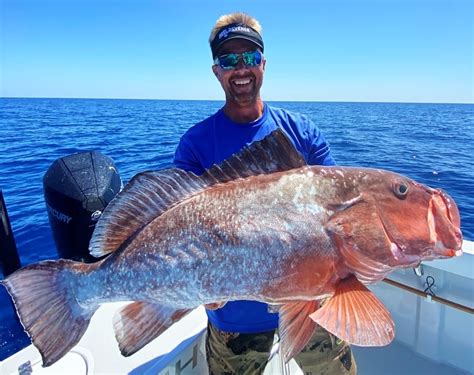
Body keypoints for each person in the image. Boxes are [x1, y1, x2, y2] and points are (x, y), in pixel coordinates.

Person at [174, 12, 356, 375]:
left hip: (312, 305)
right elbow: (178, 228)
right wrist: (195, 285)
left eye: (250, 58)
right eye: (229, 60)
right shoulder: (195, 145)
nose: (241, 69)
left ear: (264, 64)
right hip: (234, 319)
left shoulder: (301, 133)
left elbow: (340, 213)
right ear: (216, 70)